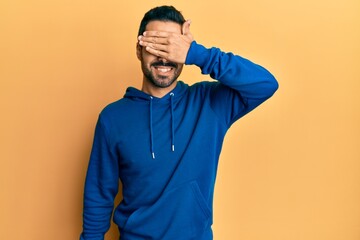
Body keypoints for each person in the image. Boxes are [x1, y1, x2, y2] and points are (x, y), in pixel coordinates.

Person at [80, 5, 278, 240]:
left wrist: (198, 54)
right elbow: (99, 194)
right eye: (155, 46)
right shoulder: (112, 118)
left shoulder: (210, 103)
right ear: (139, 50)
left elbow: (266, 84)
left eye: (172, 46)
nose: (164, 56)